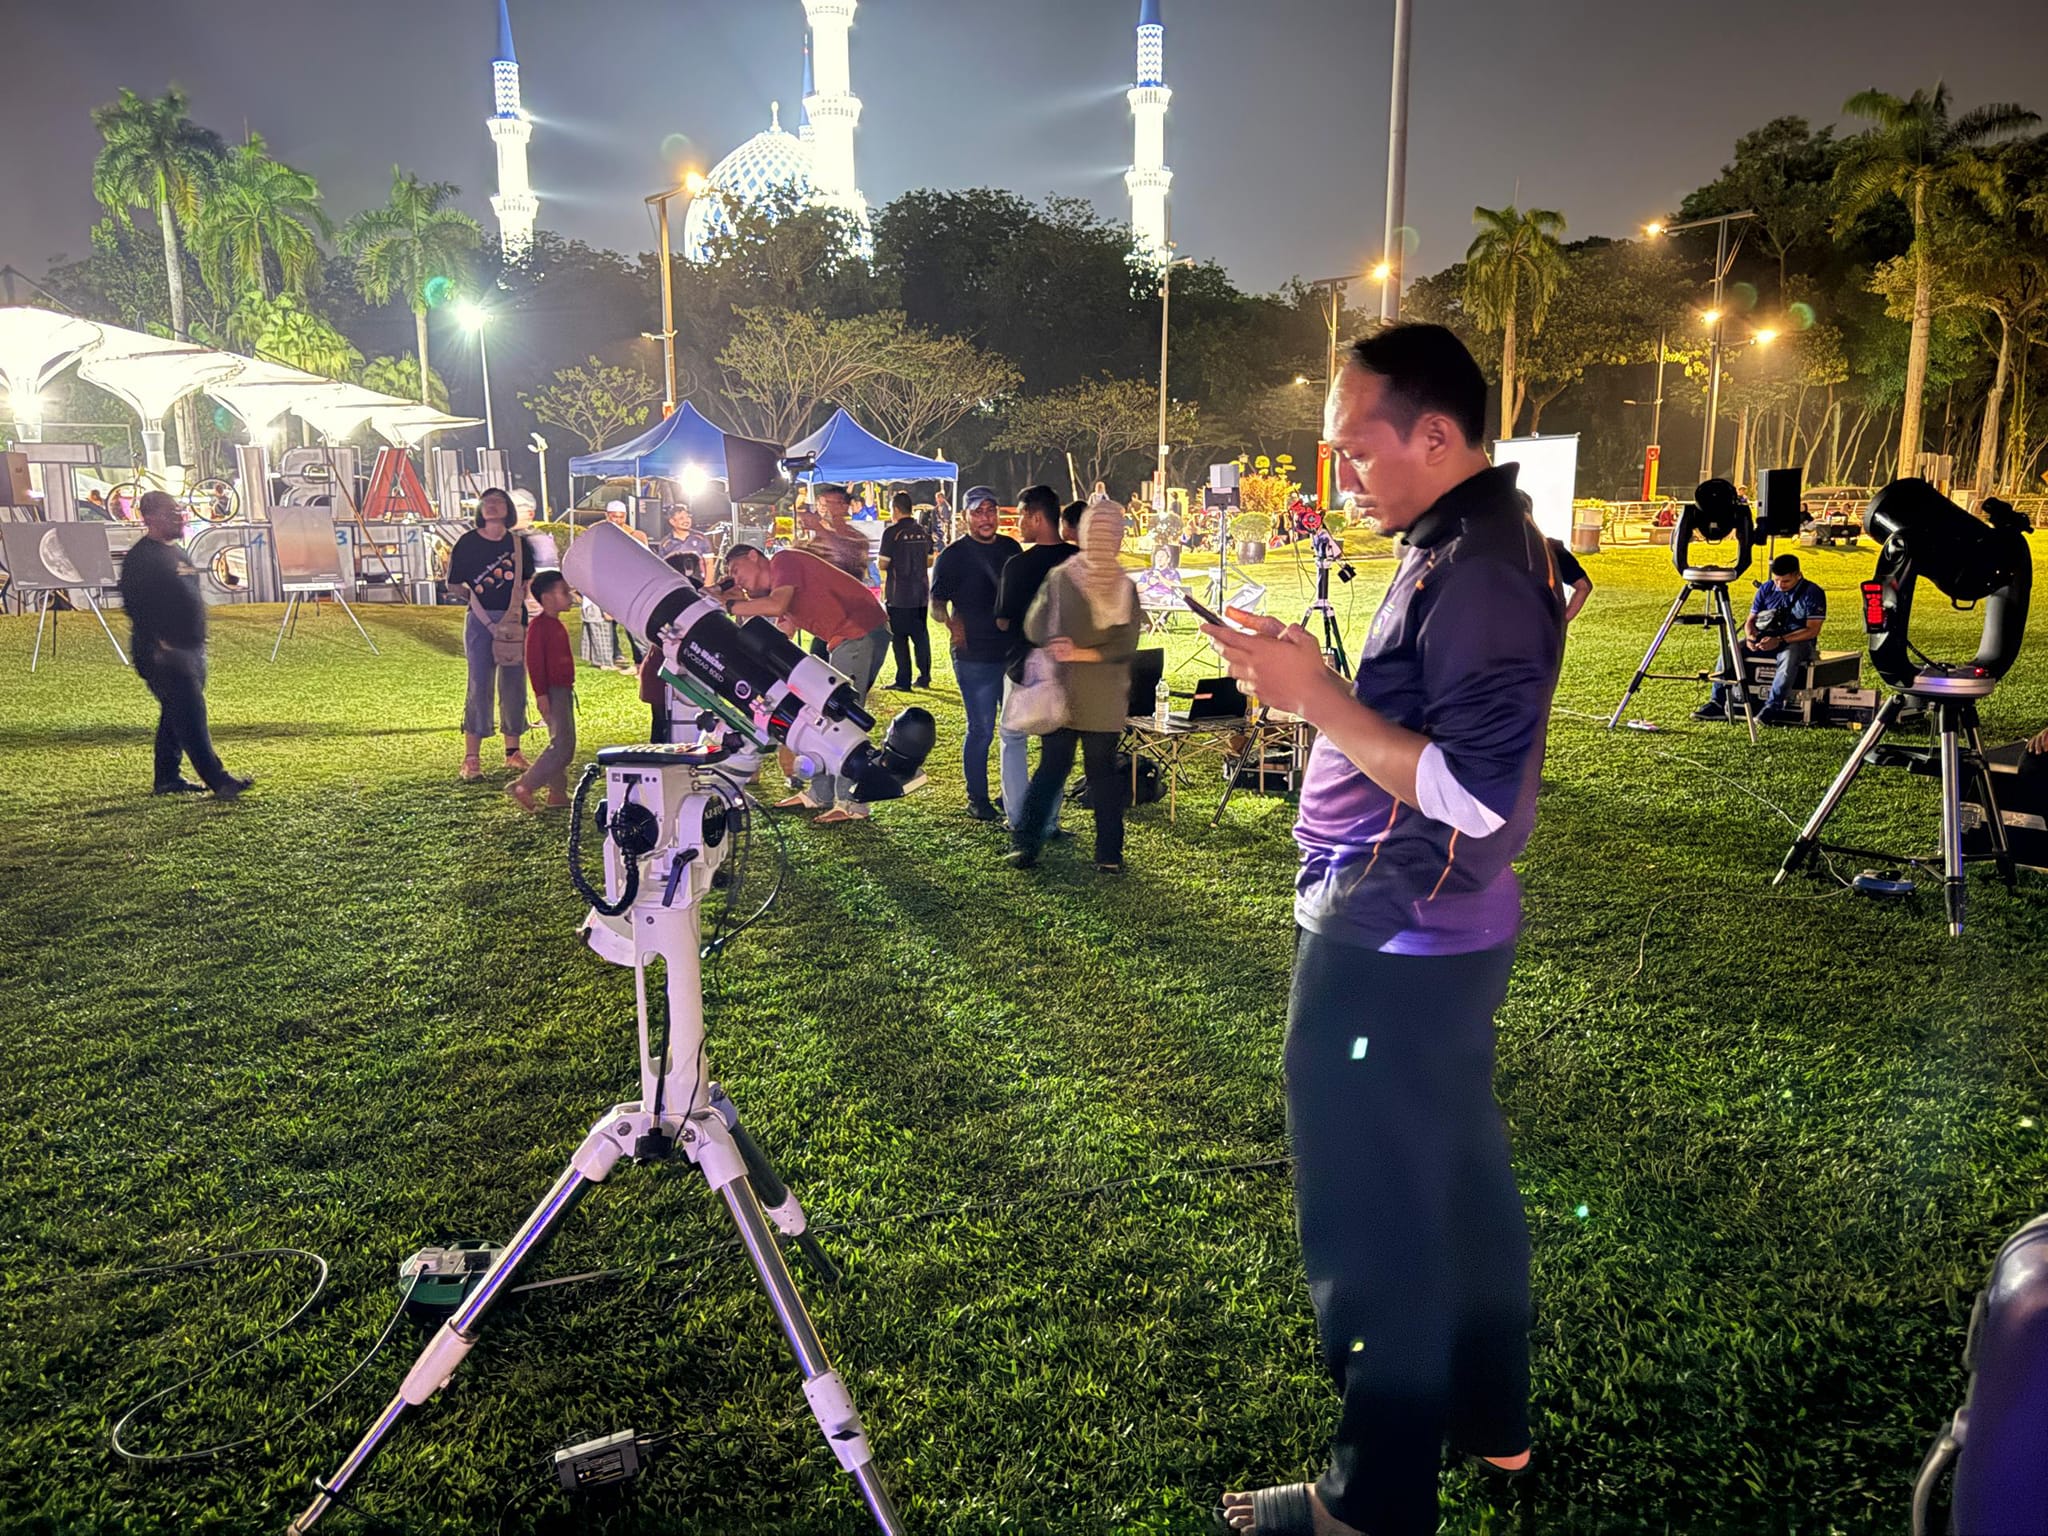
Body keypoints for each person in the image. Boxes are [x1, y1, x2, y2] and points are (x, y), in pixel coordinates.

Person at [1204, 324, 1563, 1536]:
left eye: (1357, 448)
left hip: (1393, 930)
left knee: (1373, 1213)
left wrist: (1312, 697)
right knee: (1454, 1175)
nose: (1342, 472)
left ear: (1435, 435)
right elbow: (1427, 727)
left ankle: (1373, 1495)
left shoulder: (1481, 567)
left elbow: (1475, 795)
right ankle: (1490, 1418)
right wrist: (1312, 677)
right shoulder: (1465, 541)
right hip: (1427, 929)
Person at [1007, 503, 1139, 874]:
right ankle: (1109, 855)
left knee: (1051, 771)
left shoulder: (1062, 577)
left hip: (1063, 692)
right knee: (1102, 776)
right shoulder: (1124, 586)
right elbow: (1126, 645)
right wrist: (1089, 652)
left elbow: (1033, 626)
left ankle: (1025, 846)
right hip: (1104, 698)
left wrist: (1067, 648)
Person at [723, 541, 890, 823]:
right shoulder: (782, 587)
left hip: (859, 632)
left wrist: (730, 604)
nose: (736, 579)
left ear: (753, 556)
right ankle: (819, 795)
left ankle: (852, 804)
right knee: (821, 714)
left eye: (736, 570)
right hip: (848, 638)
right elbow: (782, 631)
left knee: (840, 718)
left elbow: (776, 606)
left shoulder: (783, 561)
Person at [117, 490, 253, 799]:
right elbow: (135, 605)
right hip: (163, 654)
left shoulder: (178, 553)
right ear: (149, 518)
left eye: (180, 511)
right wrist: (160, 643)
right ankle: (220, 781)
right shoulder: (142, 558)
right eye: (171, 513)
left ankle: (167, 778)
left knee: (175, 713)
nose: (179, 518)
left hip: (190, 649)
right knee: (191, 716)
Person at [930, 487, 1022, 822]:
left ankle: (1011, 793)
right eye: (978, 512)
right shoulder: (952, 556)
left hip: (1011, 652)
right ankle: (977, 798)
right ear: (965, 517)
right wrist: (950, 623)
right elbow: (936, 604)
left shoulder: (1011, 549)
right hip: (974, 655)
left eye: (990, 510)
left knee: (1014, 729)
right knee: (981, 728)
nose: (986, 518)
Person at [995, 485, 1077, 838]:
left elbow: (1002, 619)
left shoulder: (1018, 565)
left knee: (1012, 737)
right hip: (1070, 665)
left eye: (1021, 517)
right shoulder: (1078, 560)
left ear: (1036, 517)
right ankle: (1050, 819)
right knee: (1055, 746)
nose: (1018, 524)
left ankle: (1018, 818)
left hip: (1024, 662)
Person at [446, 486, 535, 780]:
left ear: (508, 508)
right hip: (479, 621)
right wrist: (476, 601)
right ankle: (472, 758)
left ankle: (513, 751)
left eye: (498, 501)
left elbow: (527, 582)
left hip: (514, 620)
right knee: (479, 683)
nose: (492, 506)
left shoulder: (519, 544)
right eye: (487, 502)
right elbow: (454, 583)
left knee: (514, 684)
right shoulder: (467, 543)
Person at [1695, 551, 1826, 725]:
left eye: (1786, 581)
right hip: (1764, 638)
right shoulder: (1766, 588)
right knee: (1731, 650)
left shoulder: (1813, 592)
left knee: (1790, 656)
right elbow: (1750, 620)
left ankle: (1773, 706)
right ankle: (1717, 702)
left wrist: (1780, 640)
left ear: (1798, 575)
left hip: (1797, 641)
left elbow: (1812, 630)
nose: (1780, 585)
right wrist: (1750, 637)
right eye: (1777, 580)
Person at [508, 570, 578, 812]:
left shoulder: (553, 624)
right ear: (547, 598)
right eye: (564, 592)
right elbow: (535, 662)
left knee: (560, 740)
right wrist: (541, 695)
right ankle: (525, 785)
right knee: (563, 746)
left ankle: (557, 792)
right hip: (553, 691)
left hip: (561, 690)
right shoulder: (540, 627)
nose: (570, 597)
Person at [878, 491, 935, 691]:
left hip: (899, 594)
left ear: (895, 509)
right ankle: (924, 677)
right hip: (920, 593)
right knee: (921, 636)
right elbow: (930, 561)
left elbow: (883, 564)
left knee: (899, 638)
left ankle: (903, 680)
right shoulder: (923, 532)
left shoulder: (892, 533)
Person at [602, 499, 650, 670]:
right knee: (609, 622)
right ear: (607, 516)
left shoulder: (636, 535)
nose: (618, 520)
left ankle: (643, 661)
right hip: (609, 584)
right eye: (614, 516)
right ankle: (617, 656)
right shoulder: (600, 534)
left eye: (621, 517)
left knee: (632, 624)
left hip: (631, 586)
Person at [1547, 536, 1593, 625]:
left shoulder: (1550, 548)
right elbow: (1584, 586)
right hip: (1541, 623)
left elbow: (1584, 586)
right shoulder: (1550, 547)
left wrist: (1562, 621)